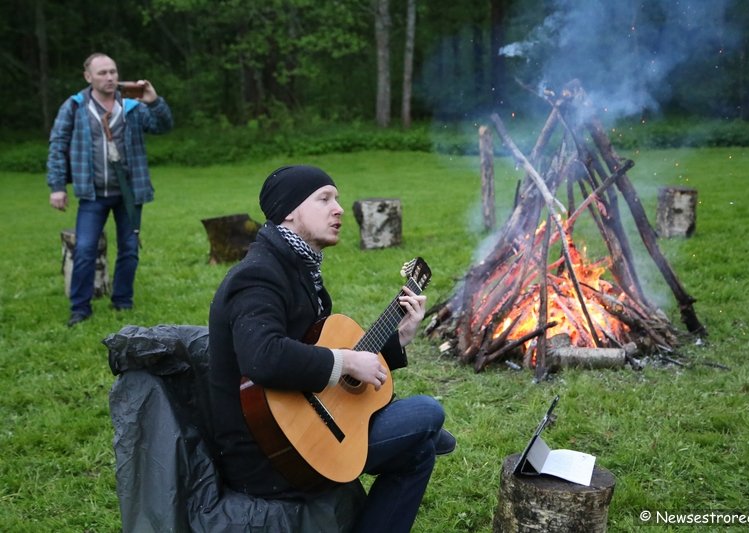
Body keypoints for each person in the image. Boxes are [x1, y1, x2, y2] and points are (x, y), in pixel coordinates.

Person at [208, 165, 455, 532]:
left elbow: (315, 359)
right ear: (289, 211)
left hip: (298, 423)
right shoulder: (258, 275)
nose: (338, 208)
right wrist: (345, 360)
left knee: (419, 449)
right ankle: (425, 432)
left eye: (337, 198)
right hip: (269, 451)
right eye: (324, 199)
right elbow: (263, 357)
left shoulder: (297, 268)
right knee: (427, 411)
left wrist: (398, 338)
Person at [47, 52, 173, 326]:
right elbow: (57, 145)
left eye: (113, 72)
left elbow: (164, 126)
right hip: (93, 195)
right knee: (84, 249)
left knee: (129, 248)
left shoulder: (132, 106)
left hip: (129, 193)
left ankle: (122, 302)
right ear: (88, 76)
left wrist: (155, 101)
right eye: (102, 73)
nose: (109, 77)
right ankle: (80, 308)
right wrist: (57, 186)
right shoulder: (75, 107)